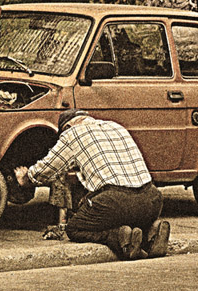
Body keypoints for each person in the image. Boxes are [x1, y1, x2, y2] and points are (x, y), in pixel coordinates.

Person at [15, 109, 170, 260]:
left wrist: (26, 177)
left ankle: (119, 237)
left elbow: (47, 169)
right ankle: (149, 231)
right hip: (152, 198)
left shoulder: (72, 134)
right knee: (125, 213)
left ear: (67, 127)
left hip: (115, 200)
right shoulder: (116, 126)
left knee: (75, 228)